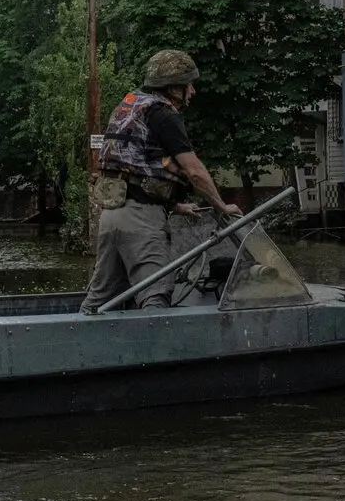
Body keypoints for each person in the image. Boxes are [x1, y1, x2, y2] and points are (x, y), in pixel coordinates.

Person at [81, 49, 241, 313]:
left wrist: (177, 207)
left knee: (100, 300)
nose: (193, 91)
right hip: (141, 222)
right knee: (155, 295)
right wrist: (221, 206)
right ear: (174, 88)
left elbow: (136, 171)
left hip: (111, 217)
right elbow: (194, 172)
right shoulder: (164, 115)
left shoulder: (131, 106)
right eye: (189, 84)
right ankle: (157, 353)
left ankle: (79, 344)